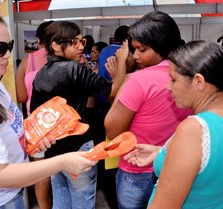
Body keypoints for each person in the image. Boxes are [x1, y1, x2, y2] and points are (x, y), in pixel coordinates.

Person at [0, 8, 97, 209]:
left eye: (9, 46)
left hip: (8, 195)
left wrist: (34, 135)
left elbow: (8, 127)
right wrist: (61, 162)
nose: (7, 55)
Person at [30, 21, 128, 209]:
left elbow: (35, 113)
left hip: (54, 151)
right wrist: (121, 61)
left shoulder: (40, 74)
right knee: (82, 201)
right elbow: (114, 90)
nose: (81, 47)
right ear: (56, 46)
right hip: (79, 147)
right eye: (74, 42)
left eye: (81, 41)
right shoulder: (74, 69)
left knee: (61, 200)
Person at [104, 11, 193, 209]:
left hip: (137, 169)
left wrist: (122, 74)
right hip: (176, 164)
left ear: (161, 45)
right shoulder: (191, 75)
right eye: (133, 50)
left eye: (141, 50)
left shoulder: (138, 80)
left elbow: (112, 129)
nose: (135, 56)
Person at [125, 40, 223, 208]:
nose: (169, 88)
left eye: (173, 80)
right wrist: (163, 153)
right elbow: (208, 162)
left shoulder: (194, 129)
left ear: (199, 82)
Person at [15, 20, 54, 209]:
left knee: (41, 171)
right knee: (63, 167)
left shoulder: (27, 61)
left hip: (37, 124)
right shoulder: (69, 59)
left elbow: (21, 96)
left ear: (38, 40)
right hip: (63, 122)